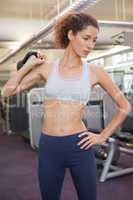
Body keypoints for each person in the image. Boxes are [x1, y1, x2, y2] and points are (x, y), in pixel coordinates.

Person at [1, 12, 131, 200]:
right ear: (70, 34)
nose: (90, 45)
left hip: (79, 144)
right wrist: (28, 65)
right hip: (49, 146)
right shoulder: (47, 69)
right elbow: (8, 91)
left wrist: (103, 136)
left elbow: (124, 106)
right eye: (86, 38)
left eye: (94, 40)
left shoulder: (96, 72)